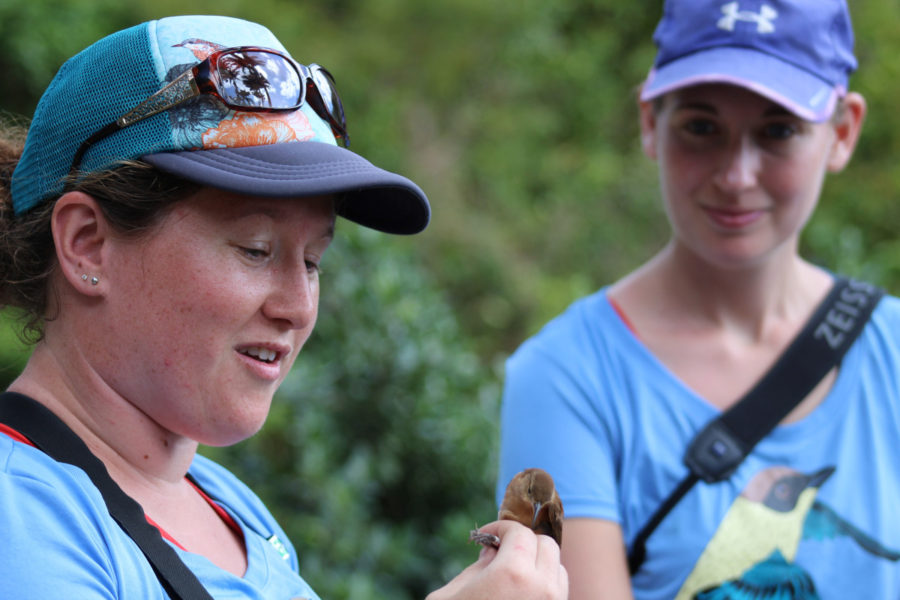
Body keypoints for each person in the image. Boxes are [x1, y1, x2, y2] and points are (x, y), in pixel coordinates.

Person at [0, 15, 567, 600]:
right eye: (255, 249)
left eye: (313, 260)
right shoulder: (21, 522)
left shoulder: (232, 512)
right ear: (86, 244)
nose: (298, 306)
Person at [497, 0, 900, 598]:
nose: (736, 175)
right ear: (649, 122)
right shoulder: (566, 379)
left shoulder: (891, 352)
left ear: (842, 133)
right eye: (702, 127)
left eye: (778, 130)